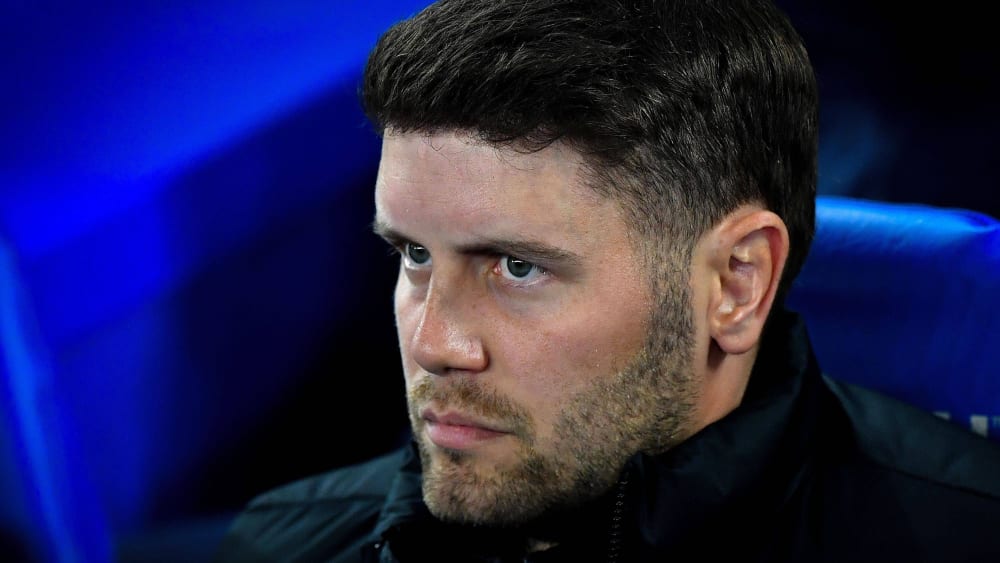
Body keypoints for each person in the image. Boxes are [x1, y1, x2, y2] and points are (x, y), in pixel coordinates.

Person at [215, 0, 1000, 561]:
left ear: (736, 283)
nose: (432, 343)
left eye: (518, 266)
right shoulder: (279, 541)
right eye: (415, 254)